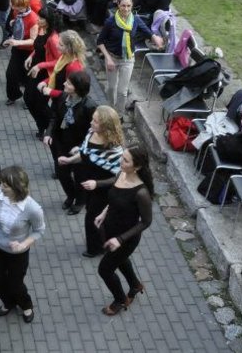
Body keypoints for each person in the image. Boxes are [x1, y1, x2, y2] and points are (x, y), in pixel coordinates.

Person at [90, 146, 154, 316]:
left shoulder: (141, 192)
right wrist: (103, 213)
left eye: (125, 160)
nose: (120, 162)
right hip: (110, 229)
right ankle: (135, 285)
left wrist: (120, 239)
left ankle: (120, 300)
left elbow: (146, 222)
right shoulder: (121, 174)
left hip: (126, 238)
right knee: (119, 260)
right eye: (122, 157)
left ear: (137, 167)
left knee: (104, 269)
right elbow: (115, 198)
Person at [57, 105, 125, 258]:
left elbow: (119, 177)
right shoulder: (91, 133)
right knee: (92, 214)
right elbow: (84, 153)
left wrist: (97, 184)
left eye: (95, 121)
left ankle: (96, 248)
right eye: (92, 120)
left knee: (92, 218)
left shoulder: (114, 150)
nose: (91, 123)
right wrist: (69, 160)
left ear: (106, 126)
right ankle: (102, 240)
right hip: (89, 184)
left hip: (103, 189)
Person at [0, 165, 44, 322]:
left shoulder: (33, 209)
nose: (0, 187)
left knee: (16, 284)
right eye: (1, 183)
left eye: (5, 185)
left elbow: (39, 231)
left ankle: (26, 305)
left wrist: (24, 245)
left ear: (17, 188)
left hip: (18, 252)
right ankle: (8, 303)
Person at [96, 0, 162, 112]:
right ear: (118, 5)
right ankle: (111, 111)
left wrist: (155, 38)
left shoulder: (135, 20)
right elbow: (100, 42)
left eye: (128, 6)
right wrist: (108, 58)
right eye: (123, 6)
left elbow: (147, 32)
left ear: (132, 7)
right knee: (112, 88)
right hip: (112, 58)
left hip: (128, 59)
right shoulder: (110, 22)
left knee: (122, 91)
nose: (126, 9)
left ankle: (119, 114)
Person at [45, 70, 97, 213]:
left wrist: (81, 147)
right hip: (61, 143)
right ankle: (70, 195)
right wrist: (49, 133)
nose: (64, 84)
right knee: (62, 174)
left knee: (80, 176)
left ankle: (80, 201)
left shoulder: (90, 106)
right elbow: (54, 116)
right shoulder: (62, 97)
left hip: (78, 147)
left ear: (77, 87)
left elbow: (92, 131)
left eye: (68, 83)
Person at [2, 0, 39, 105]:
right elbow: (18, 26)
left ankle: (28, 100)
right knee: (10, 74)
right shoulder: (17, 12)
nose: (14, 8)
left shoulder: (33, 19)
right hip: (18, 49)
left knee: (28, 78)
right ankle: (13, 95)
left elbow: (33, 40)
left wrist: (16, 42)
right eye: (14, 6)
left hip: (29, 52)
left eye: (17, 6)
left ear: (24, 6)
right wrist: (14, 23)